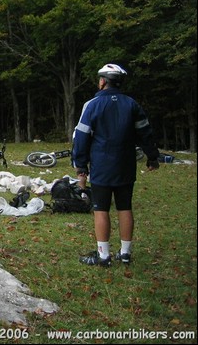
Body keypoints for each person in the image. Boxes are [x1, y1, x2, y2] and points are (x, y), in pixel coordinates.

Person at [72, 63, 160, 267]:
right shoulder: (132, 104)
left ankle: (103, 256)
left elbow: (82, 136)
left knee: (101, 209)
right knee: (125, 207)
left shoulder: (93, 104)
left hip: (102, 164)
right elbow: (145, 132)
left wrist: (80, 163)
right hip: (126, 164)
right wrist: (152, 156)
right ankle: (125, 253)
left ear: (103, 81)